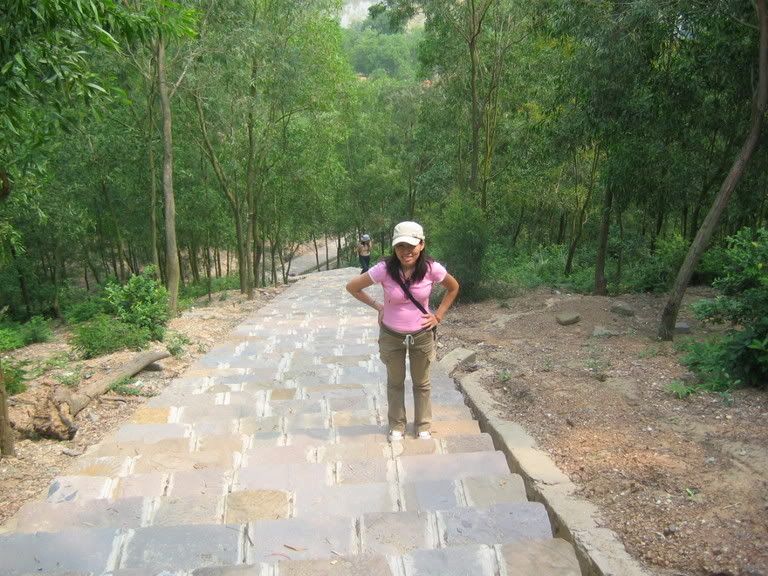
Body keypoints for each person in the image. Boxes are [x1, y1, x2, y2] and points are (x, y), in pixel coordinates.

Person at [346, 221, 460, 441]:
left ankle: (423, 425)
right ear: (394, 247)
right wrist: (379, 306)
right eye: (400, 246)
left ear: (421, 244)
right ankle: (397, 425)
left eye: (411, 246)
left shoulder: (432, 269)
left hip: (422, 334)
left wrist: (438, 316)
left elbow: (453, 287)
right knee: (395, 382)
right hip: (391, 335)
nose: (406, 251)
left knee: (422, 383)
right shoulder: (384, 269)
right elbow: (353, 287)